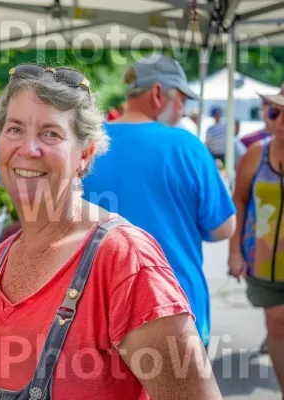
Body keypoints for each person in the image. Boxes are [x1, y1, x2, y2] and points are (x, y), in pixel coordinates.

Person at [0, 63, 222, 399]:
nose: (28, 149)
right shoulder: (0, 260)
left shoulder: (124, 260)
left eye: (51, 133)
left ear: (85, 154)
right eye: (15, 129)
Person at [81, 55, 236, 349]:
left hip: (97, 313)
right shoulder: (186, 145)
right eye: (181, 100)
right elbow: (223, 228)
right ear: (157, 93)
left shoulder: (87, 144)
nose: (183, 110)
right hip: (174, 310)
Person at [229, 88, 284, 395]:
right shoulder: (256, 155)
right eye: (275, 112)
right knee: (276, 325)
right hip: (264, 263)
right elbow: (239, 201)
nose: (280, 122)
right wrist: (234, 252)